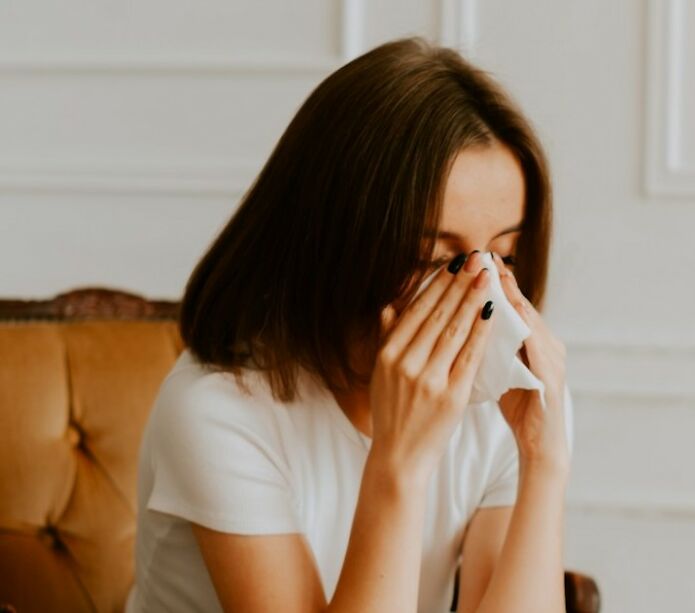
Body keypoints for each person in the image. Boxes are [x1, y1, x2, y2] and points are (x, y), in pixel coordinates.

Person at [125, 35, 574, 613]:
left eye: (504, 256)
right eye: (438, 260)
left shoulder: (502, 398)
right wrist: (400, 461)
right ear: (339, 241)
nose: (482, 294)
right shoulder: (218, 411)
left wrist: (546, 458)